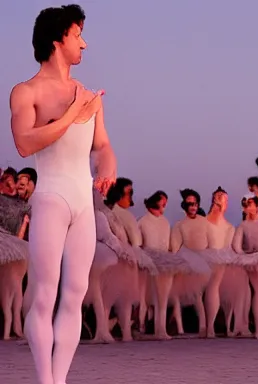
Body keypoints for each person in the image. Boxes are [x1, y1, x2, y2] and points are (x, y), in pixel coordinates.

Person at [9, 5, 116, 384]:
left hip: (83, 204)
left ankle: (60, 380)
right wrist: (72, 114)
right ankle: (44, 380)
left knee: (75, 293)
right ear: (58, 41)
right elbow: (24, 144)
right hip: (51, 197)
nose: (84, 44)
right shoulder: (26, 92)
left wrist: (108, 168)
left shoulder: (91, 97)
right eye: (77, 35)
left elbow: (102, 146)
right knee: (43, 292)